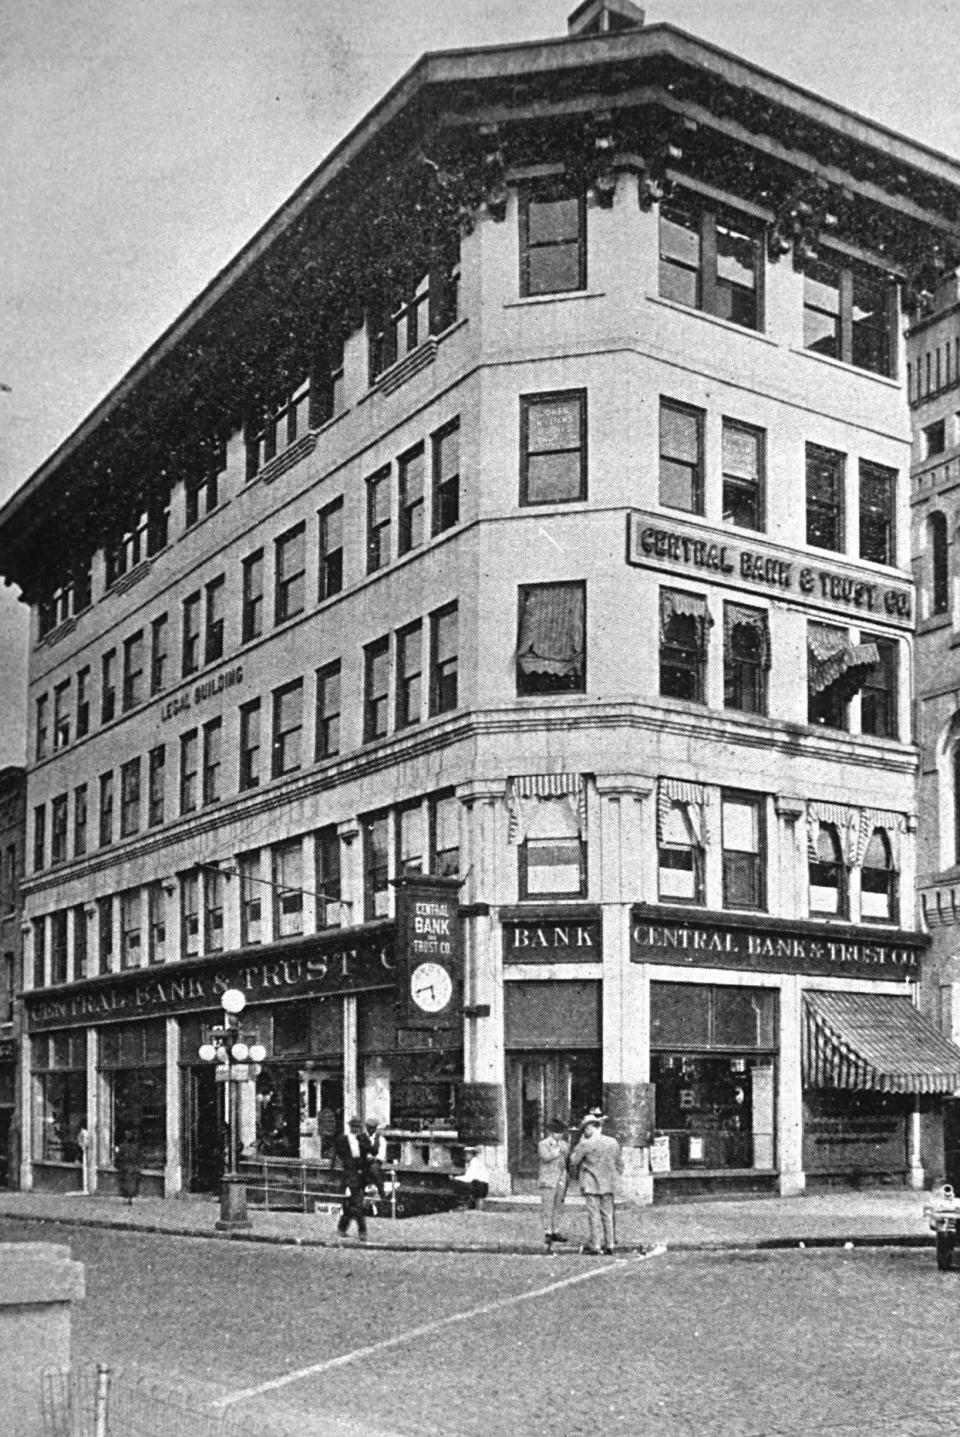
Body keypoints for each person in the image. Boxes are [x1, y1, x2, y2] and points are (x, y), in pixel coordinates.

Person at [568, 1111, 622, 1254]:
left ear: (591, 1127)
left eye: (585, 1129)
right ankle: (610, 1244)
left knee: (594, 1215)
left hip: (591, 1183)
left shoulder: (585, 1144)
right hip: (608, 1183)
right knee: (608, 1215)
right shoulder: (613, 1142)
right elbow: (619, 1163)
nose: (584, 1132)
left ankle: (596, 1245)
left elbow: (574, 1161)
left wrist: (579, 1144)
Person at [334, 1117, 371, 1240]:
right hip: (349, 1175)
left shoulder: (363, 1139)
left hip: (360, 1175)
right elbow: (338, 1155)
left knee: (354, 1204)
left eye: (357, 1127)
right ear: (350, 1127)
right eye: (353, 1126)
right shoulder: (343, 1139)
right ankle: (362, 1230)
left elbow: (368, 1153)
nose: (355, 1129)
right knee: (356, 1204)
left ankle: (343, 1227)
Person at [537, 1117, 570, 1247]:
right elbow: (545, 1157)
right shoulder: (543, 1144)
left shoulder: (565, 1144)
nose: (560, 1134)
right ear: (551, 1132)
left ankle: (556, 1230)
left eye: (561, 1132)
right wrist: (557, 1151)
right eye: (557, 1132)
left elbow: (566, 1159)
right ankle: (547, 1232)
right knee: (547, 1207)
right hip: (548, 1179)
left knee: (558, 1206)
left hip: (561, 1178)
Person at [364, 1118, 389, 1204]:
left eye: (372, 1128)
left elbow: (381, 1154)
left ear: (375, 1128)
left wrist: (373, 1158)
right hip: (364, 1161)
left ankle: (382, 1194)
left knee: (374, 1169)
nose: (370, 1130)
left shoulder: (381, 1139)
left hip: (375, 1161)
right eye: (369, 1127)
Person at [115, 1129, 142, 1206]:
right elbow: (139, 1157)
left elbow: (118, 1158)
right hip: (132, 1168)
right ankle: (129, 1198)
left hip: (126, 1168)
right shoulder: (136, 1146)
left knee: (126, 1183)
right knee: (130, 1184)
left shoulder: (123, 1146)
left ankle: (126, 1198)